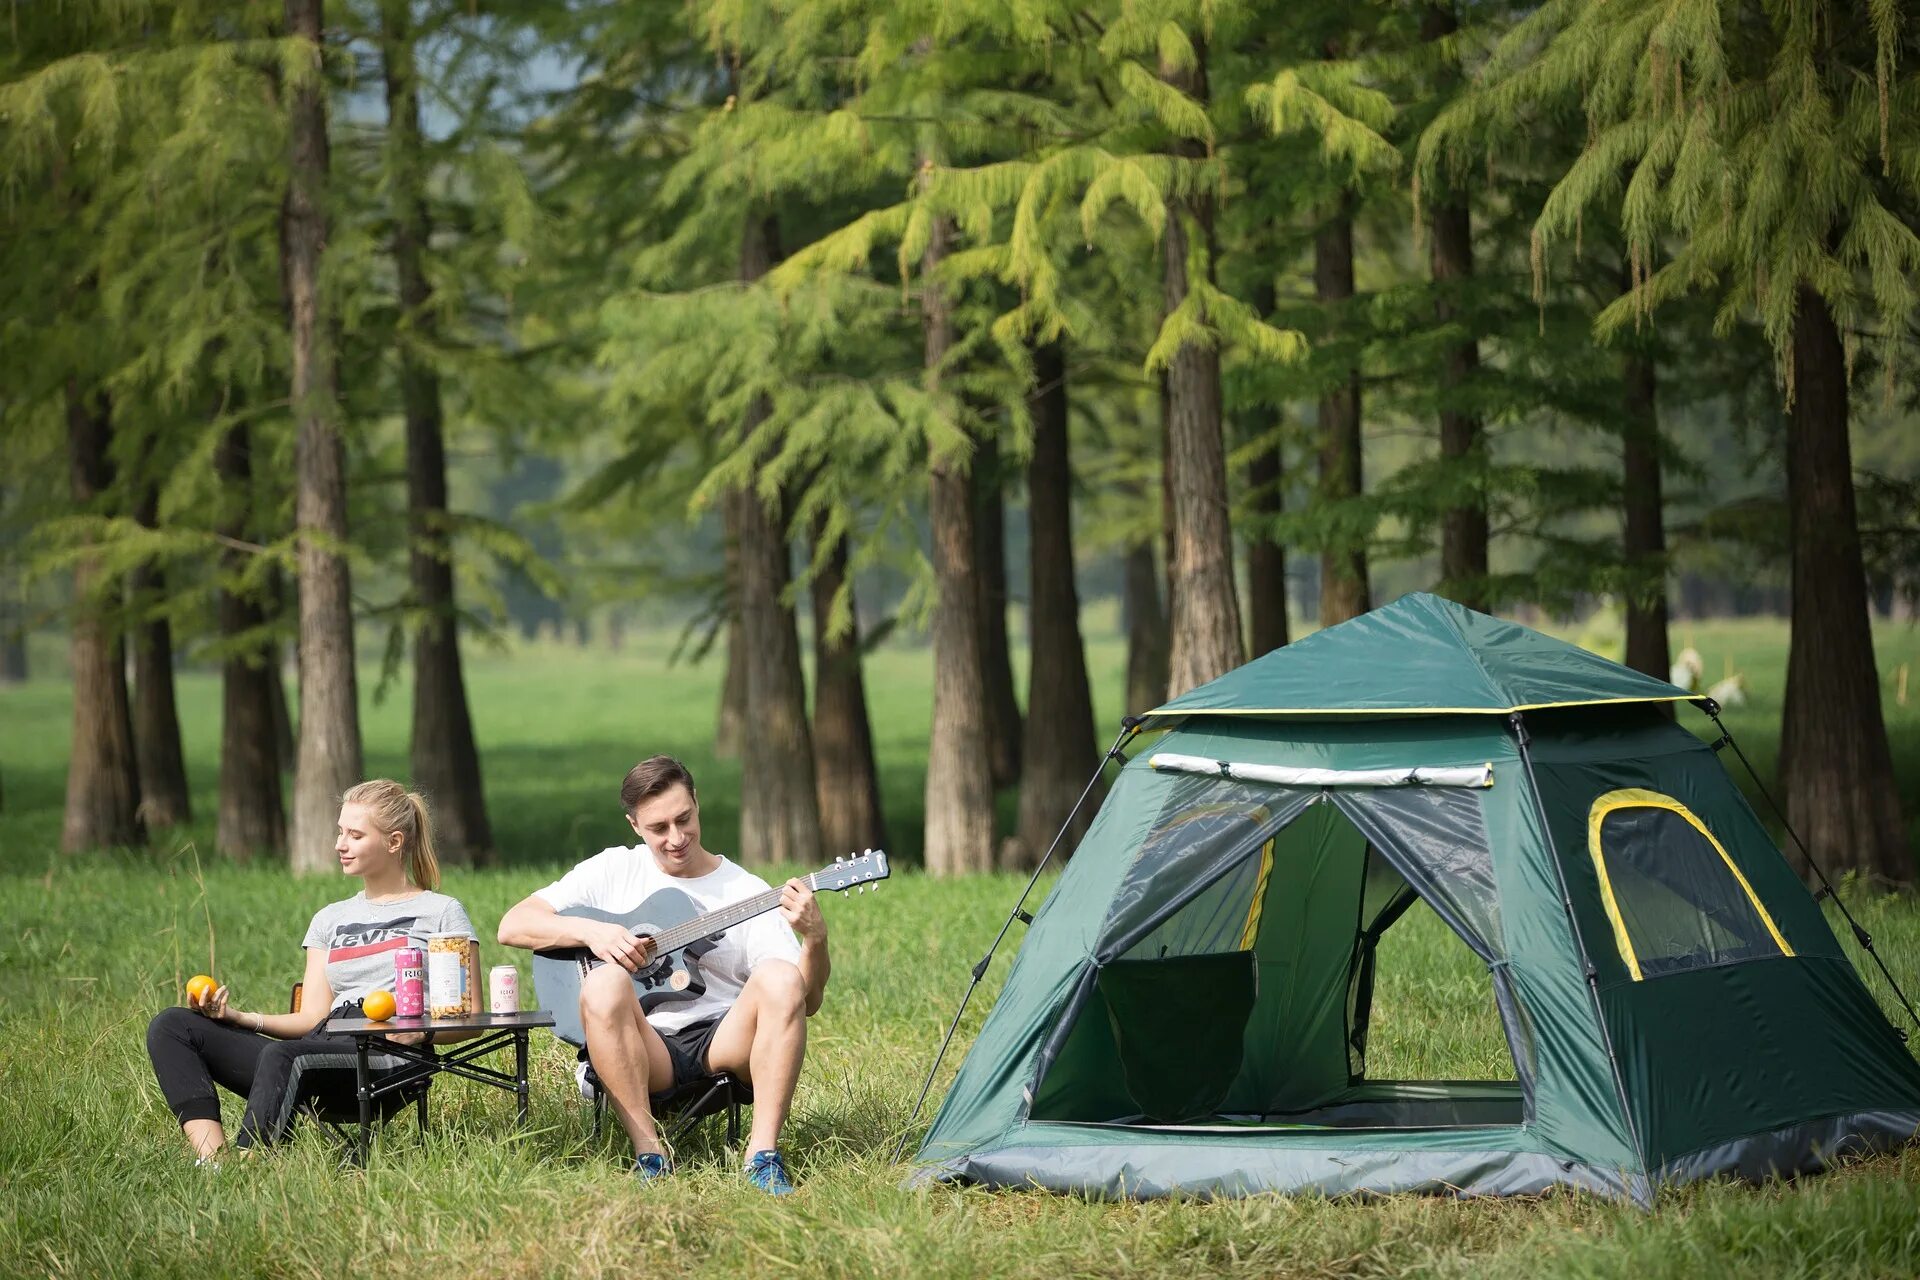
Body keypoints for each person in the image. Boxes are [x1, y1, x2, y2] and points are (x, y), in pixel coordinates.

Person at [497, 755, 828, 1194]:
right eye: (658, 828)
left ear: (697, 804)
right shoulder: (614, 869)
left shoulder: (745, 890)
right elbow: (513, 925)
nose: (676, 838)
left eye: (684, 819)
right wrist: (593, 932)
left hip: (723, 1042)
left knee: (782, 978)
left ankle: (762, 1158)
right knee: (603, 980)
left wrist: (815, 939)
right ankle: (651, 1156)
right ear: (635, 826)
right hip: (645, 1045)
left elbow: (806, 1003)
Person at [145, 780, 474, 1163]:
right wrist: (236, 1018)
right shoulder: (329, 919)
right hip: (323, 1042)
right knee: (172, 1025)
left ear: (394, 842)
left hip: (388, 1058)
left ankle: (250, 1168)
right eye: (340, 832)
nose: (340, 844)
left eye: (355, 834)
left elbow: (469, 1019)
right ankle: (215, 1163)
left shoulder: (441, 912)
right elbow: (312, 1017)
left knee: (285, 1057)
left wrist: (422, 1030)